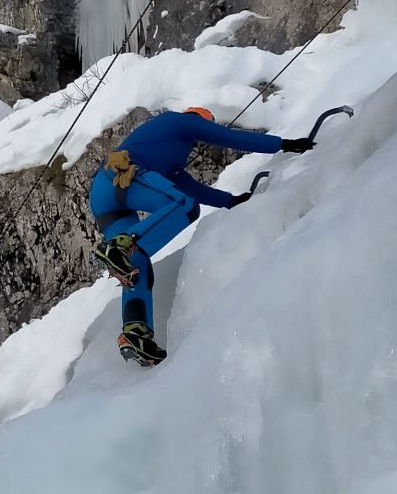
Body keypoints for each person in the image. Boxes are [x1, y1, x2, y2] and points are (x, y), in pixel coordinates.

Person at [88, 106, 315, 365]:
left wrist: (231, 201)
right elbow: (230, 138)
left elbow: (193, 188)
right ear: (201, 119)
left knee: (134, 263)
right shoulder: (180, 121)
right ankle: (121, 246)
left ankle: (135, 332)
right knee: (184, 206)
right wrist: (283, 144)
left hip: (102, 196)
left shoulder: (171, 162)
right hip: (122, 174)